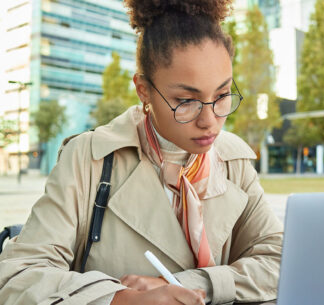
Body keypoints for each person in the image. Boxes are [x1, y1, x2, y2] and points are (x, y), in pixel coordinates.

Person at [0, 1, 283, 304]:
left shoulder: (233, 161)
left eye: (222, 95)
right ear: (143, 90)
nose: (209, 121)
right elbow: (19, 275)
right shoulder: (89, 158)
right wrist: (122, 299)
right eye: (186, 100)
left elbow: (280, 261)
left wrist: (194, 284)